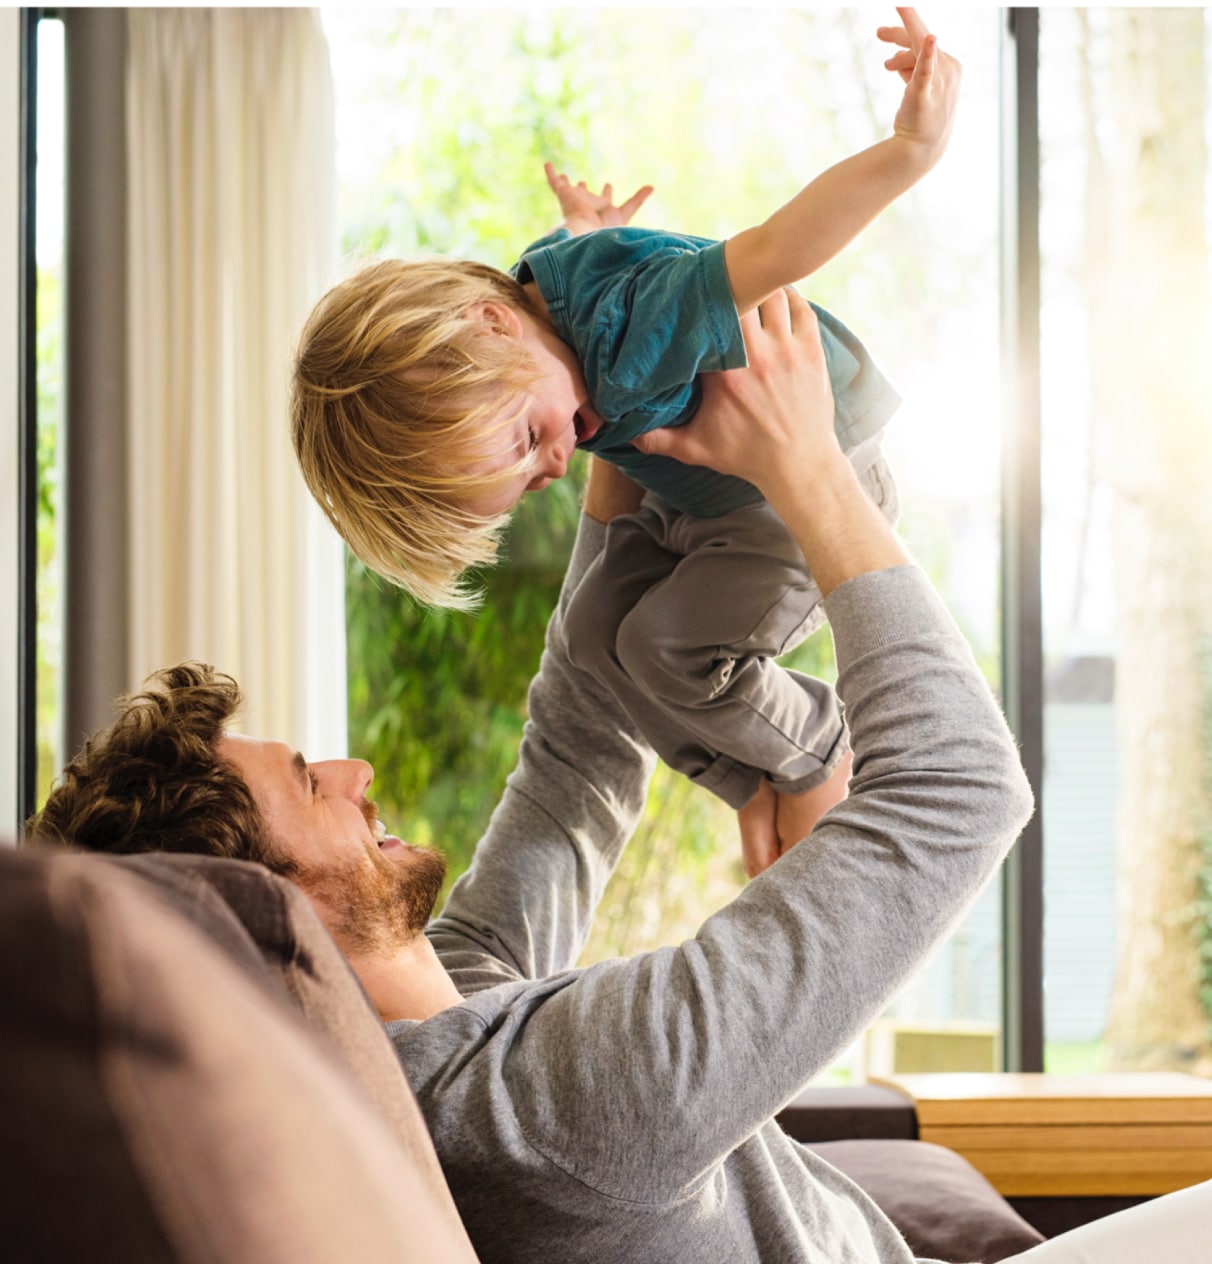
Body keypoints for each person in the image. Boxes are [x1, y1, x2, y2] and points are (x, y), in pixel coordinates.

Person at [26, 291, 1212, 1262]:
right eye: (306, 782)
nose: (354, 765)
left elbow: (578, 747)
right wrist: (809, 470)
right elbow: (960, 792)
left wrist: (596, 431)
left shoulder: (452, 1024)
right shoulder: (549, 1113)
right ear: (267, 903)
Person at [290, 8, 962, 863]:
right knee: (590, 635)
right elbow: (594, 262)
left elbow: (777, 249)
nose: (562, 459)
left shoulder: (628, 338)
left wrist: (911, 151)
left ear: (494, 327)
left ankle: (820, 749)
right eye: (536, 475)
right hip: (704, 504)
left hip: (794, 502)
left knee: (662, 646)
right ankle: (753, 775)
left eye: (534, 437)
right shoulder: (541, 309)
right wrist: (595, 231)